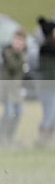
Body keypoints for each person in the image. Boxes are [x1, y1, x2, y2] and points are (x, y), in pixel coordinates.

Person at [0, 28, 28, 146]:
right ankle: (1, 138)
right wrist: (21, 55)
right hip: (6, 90)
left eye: (21, 41)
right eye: (17, 40)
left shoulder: (22, 55)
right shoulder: (7, 52)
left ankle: (10, 137)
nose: (18, 43)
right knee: (8, 113)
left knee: (18, 113)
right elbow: (13, 65)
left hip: (16, 90)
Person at [36, 16, 55, 146]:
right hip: (47, 87)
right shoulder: (46, 48)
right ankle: (42, 141)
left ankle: (47, 141)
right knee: (49, 114)